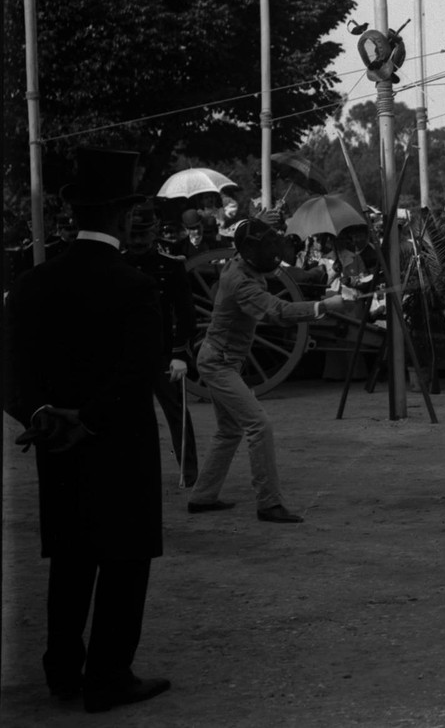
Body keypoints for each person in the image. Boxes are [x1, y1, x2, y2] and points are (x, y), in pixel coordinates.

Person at [5, 147, 171, 713]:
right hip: (118, 442)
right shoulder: (134, 285)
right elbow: (140, 370)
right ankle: (108, 676)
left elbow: (11, 369)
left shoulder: (33, 283)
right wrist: (92, 419)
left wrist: (41, 415)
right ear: (124, 217)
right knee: (124, 560)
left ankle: (62, 671)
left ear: (75, 215)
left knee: (71, 559)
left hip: (55, 444)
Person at [186, 217, 348, 524]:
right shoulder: (240, 281)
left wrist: (270, 216)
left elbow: (255, 235)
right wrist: (324, 306)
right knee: (259, 425)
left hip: (223, 360)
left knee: (229, 430)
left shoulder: (240, 262)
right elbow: (279, 311)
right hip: (219, 363)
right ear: (249, 251)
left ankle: (202, 497)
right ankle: (268, 504)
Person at [123, 201, 200, 486]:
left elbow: (186, 315)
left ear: (155, 232)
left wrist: (179, 353)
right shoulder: (118, 265)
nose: (138, 240)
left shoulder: (170, 267)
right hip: (126, 357)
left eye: (144, 233)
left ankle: (189, 473)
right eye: (133, 234)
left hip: (164, 354)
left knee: (178, 415)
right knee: (126, 418)